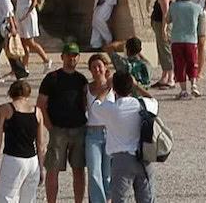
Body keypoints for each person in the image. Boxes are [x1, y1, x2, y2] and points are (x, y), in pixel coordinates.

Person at [95, 71, 159, 203]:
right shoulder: (142, 105)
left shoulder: (111, 109)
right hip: (144, 156)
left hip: (121, 159)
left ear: (115, 88)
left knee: (120, 199)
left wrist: (107, 87)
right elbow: (153, 100)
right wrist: (136, 86)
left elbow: (96, 105)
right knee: (147, 198)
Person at [37, 43, 89, 203]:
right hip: (58, 129)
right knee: (53, 169)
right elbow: (40, 105)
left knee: (79, 169)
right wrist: (50, 127)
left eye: (74, 55)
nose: (71, 58)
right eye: (68, 55)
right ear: (62, 57)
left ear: (78, 58)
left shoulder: (81, 80)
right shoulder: (52, 78)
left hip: (78, 129)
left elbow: (86, 103)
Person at [0, 78, 44, 203]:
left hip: (13, 159)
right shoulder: (37, 112)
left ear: (11, 93)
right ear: (28, 94)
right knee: (29, 199)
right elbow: (41, 144)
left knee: (7, 197)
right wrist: (41, 168)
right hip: (32, 161)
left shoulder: (5, 109)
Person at [83, 53, 115, 203]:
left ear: (105, 67)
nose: (97, 69)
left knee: (108, 174)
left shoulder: (113, 87)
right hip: (92, 133)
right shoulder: (86, 88)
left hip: (110, 133)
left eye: (99, 66)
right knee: (94, 172)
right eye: (94, 67)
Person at [12, 0, 52, 70]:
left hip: (28, 14)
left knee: (30, 41)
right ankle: (24, 66)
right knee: (23, 41)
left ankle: (46, 59)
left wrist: (27, 13)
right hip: (20, 12)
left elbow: (34, 0)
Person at [167, 0, 201, 98]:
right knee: (192, 63)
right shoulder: (196, 7)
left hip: (177, 39)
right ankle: (194, 85)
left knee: (179, 64)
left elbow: (168, 20)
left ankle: (183, 90)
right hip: (191, 39)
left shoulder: (174, 6)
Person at [148, 0, 174, 89]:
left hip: (161, 26)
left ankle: (171, 78)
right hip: (159, 25)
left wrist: (164, 29)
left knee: (166, 51)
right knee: (162, 50)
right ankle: (165, 76)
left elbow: (165, 14)